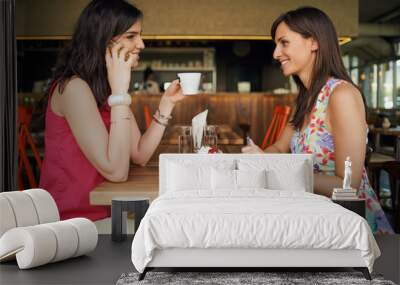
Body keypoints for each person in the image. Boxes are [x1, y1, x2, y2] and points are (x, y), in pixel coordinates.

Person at [242, 7, 393, 234]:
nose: (275, 53)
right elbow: (278, 148)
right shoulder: (305, 98)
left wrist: (276, 170)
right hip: (317, 219)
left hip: (351, 226)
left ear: (313, 43)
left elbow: (347, 185)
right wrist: (260, 157)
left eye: (284, 43)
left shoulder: (341, 95)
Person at [40, 0, 184, 221]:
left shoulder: (107, 89)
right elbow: (117, 173)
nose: (141, 44)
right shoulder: (74, 89)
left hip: (107, 216)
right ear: (104, 40)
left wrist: (167, 104)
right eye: (131, 36)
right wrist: (119, 93)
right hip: (75, 223)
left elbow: (139, 154)